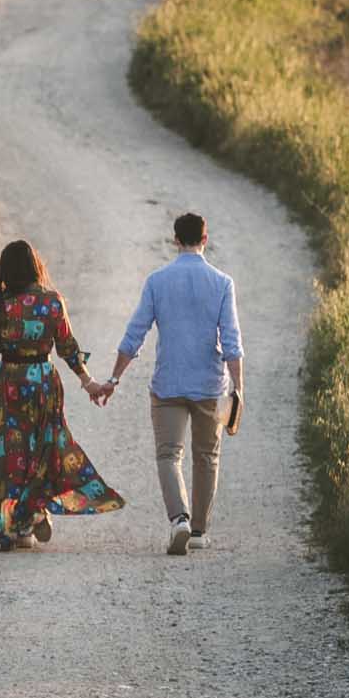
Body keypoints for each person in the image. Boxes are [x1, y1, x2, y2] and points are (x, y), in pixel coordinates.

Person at [0, 239, 124, 549]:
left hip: (9, 382)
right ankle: (34, 511)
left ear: (5, 270)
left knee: (10, 455)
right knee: (44, 449)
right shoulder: (52, 302)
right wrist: (88, 382)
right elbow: (67, 347)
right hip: (44, 383)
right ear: (36, 267)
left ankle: (15, 524)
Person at [101, 212, 243, 556]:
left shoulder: (157, 281)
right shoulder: (223, 283)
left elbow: (135, 334)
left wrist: (114, 378)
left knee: (169, 455)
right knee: (207, 457)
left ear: (175, 240)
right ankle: (198, 531)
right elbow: (233, 341)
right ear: (205, 240)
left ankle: (178, 519)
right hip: (210, 384)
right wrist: (238, 387)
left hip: (168, 383)